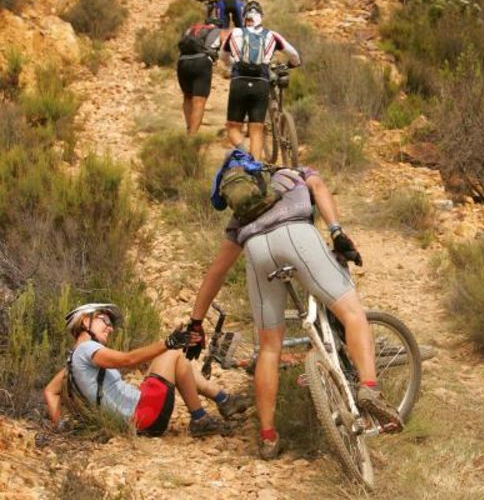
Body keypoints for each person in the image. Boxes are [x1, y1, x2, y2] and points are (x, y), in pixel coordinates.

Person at [185, 156, 403, 459]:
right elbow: (319, 187)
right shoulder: (293, 174)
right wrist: (337, 232)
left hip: (257, 252)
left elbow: (215, 274)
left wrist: (196, 323)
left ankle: (268, 437)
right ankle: (369, 387)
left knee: (269, 348)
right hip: (298, 237)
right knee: (352, 313)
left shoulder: (240, 221)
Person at [44, 303, 248, 438]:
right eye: (104, 320)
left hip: (136, 419)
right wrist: (168, 343)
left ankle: (224, 400)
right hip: (143, 415)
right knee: (173, 354)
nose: (110, 327)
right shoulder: (88, 349)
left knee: (170, 358)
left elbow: (50, 391)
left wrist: (60, 427)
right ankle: (201, 418)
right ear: (84, 322)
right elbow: (128, 359)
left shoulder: (73, 361)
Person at [221, 0, 300, 160]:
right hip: (261, 83)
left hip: (239, 81)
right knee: (257, 129)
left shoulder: (234, 33)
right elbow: (294, 55)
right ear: (261, 18)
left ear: (244, 17)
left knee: (232, 128)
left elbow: (223, 57)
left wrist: (232, 66)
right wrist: (293, 64)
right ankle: (255, 167)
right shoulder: (272, 35)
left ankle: (243, 154)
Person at [177, 17, 222, 134]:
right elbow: (216, 51)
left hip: (182, 62)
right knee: (199, 101)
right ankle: (192, 135)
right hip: (201, 63)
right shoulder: (216, 31)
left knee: (187, 97)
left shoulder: (190, 29)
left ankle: (189, 128)